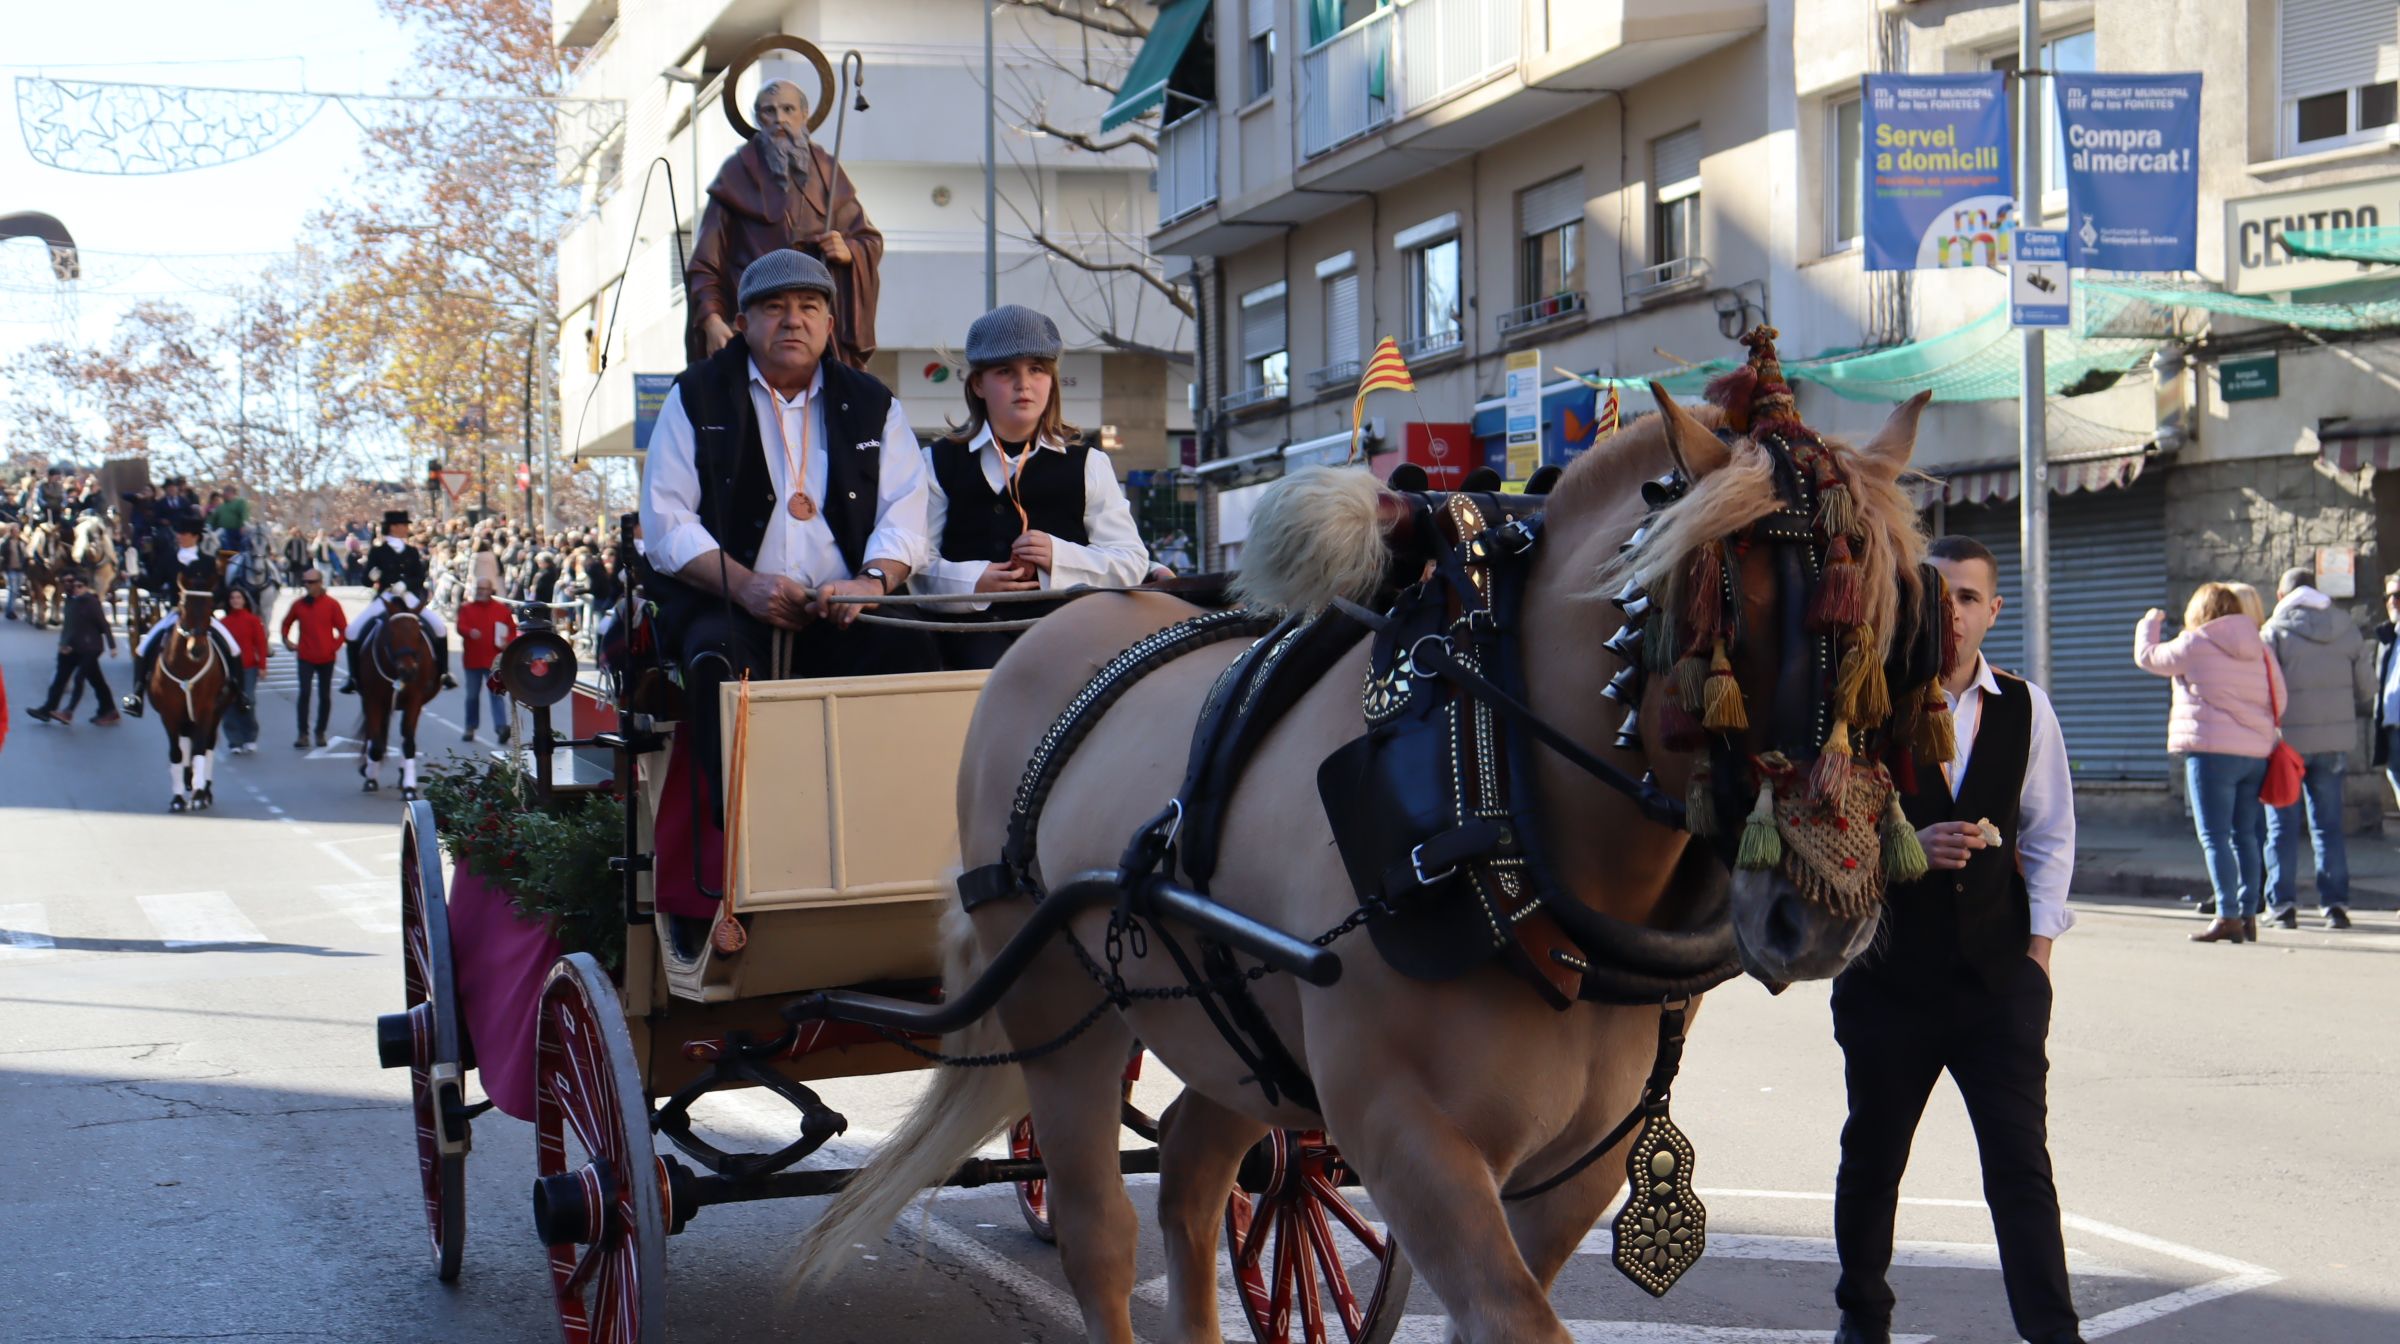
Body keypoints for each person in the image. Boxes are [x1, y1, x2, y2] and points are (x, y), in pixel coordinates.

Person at [1830, 535, 2082, 1344]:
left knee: (2021, 1172)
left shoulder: (2024, 706)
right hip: (1888, 980)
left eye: (1969, 598)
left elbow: (2049, 836)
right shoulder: (1866, 704)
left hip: (1998, 982)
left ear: (1992, 610)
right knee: (1873, 1160)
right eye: (1936, 596)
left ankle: (2053, 1332)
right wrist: (1906, 847)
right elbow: (1824, 834)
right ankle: (1862, 1322)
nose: (1953, 613)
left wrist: (2038, 959)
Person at [641, 248, 933, 822]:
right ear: (744, 323)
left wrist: (871, 581)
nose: (793, 319)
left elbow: (906, 512)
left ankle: (896, 827)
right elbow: (666, 521)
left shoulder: (874, 402)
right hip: (731, 604)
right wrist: (747, 586)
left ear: (830, 323)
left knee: (917, 649)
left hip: (849, 605)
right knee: (713, 662)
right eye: (774, 307)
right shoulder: (697, 394)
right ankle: (743, 849)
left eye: (808, 306)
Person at [911, 305, 1151, 670]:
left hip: (1070, 645)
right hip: (965, 648)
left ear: (1051, 380)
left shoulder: (1088, 464)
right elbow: (916, 566)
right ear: (978, 384)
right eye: (1005, 371)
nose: (1023, 384)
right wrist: (974, 582)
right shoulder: (937, 463)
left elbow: (1131, 562)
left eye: (1036, 369)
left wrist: (1060, 555)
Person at [686, 79, 884, 367]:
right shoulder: (735, 175)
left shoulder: (827, 170)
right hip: (757, 327)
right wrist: (712, 320)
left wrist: (847, 250)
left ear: (804, 115)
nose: (779, 118)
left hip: (814, 328)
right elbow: (705, 264)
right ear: (757, 119)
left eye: (787, 109)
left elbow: (868, 241)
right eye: (769, 111)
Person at [2135, 582, 2286, 944]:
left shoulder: (2196, 642)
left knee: (2215, 837)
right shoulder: (2260, 647)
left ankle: (2227, 914)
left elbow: (2149, 657)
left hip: (2211, 754)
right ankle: (2249, 913)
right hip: (2256, 754)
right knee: (2245, 835)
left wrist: (2148, 623)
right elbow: (2280, 697)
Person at [2260, 568, 2374, 930]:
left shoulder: (2274, 630)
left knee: (2282, 827)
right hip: (2334, 744)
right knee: (2328, 826)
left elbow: (2265, 689)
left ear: (2282, 595)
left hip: (2287, 745)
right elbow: (2367, 689)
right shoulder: (2346, 627)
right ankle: (2335, 906)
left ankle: (2282, 907)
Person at [120, 515, 240, 719]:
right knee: (142, 648)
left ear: (195, 536)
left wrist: (215, 600)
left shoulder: (209, 562)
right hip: (176, 613)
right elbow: (156, 582)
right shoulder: (169, 558)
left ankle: (240, 694)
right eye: (178, 533)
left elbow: (220, 590)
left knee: (233, 647)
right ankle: (136, 695)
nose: (178, 537)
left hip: (204, 617)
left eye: (183, 533)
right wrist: (136, 578)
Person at [341, 510, 458, 693]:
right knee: (352, 631)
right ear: (394, 527)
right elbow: (366, 580)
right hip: (386, 596)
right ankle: (354, 678)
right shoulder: (378, 551)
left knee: (439, 627)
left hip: (407, 597)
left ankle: (443, 673)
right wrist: (372, 576)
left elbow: (419, 576)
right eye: (403, 525)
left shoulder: (411, 551)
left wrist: (405, 584)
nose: (406, 528)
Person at [24, 571, 119, 727]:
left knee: (80, 679)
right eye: (66, 582)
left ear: (84, 586)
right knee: (65, 680)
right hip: (72, 648)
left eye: (75, 584)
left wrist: (112, 646)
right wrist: (63, 644)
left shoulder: (90, 602)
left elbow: (104, 625)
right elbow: (69, 626)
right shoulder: (70, 600)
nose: (71, 586)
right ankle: (48, 709)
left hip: (89, 648)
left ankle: (68, 712)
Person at [281, 568, 345, 749]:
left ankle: (320, 732)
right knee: (304, 694)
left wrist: (333, 646)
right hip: (305, 656)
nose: (307, 586)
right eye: (304, 582)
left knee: (325, 696)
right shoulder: (299, 604)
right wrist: (287, 641)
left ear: (320, 583)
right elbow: (286, 623)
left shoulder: (332, 604)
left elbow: (343, 629)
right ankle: (303, 734)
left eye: (310, 582)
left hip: (326, 658)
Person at [455, 578, 516, 744]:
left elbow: (511, 630)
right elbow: (460, 626)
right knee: (472, 696)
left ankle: (501, 728)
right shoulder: (466, 608)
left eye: (484, 588)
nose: (481, 591)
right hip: (472, 660)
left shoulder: (501, 610)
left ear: (490, 590)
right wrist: (470, 632)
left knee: (496, 695)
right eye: (478, 588)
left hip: (493, 661)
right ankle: (470, 727)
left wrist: (507, 642)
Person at [219, 586, 270, 754]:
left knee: (248, 701)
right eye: (232, 598)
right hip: (228, 670)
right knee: (229, 703)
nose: (235, 600)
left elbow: (261, 644)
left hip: (249, 668)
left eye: (238, 597)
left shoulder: (253, 620)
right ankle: (235, 741)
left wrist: (262, 666)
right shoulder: (223, 623)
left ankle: (250, 736)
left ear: (244, 600)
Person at [208, 484, 250, 551]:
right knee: (220, 534)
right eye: (224, 492)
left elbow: (244, 514)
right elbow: (213, 521)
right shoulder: (220, 507)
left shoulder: (240, 502)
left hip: (237, 531)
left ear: (232, 493)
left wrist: (243, 525)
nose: (224, 494)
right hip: (223, 531)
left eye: (226, 492)